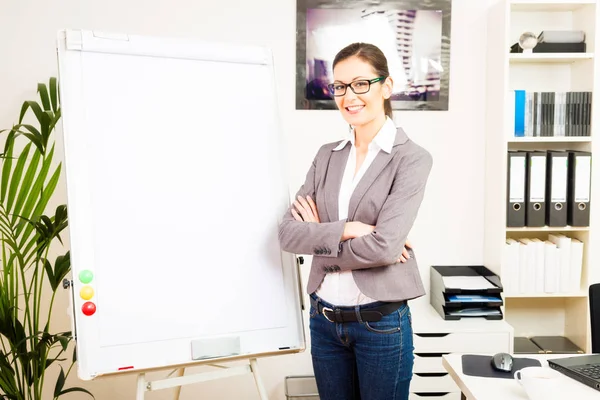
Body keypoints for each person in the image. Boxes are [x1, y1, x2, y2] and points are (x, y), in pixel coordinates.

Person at [278, 42, 433, 400]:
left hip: (380, 323)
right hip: (325, 320)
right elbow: (287, 233)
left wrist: (320, 241)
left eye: (361, 83)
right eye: (340, 86)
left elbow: (385, 247)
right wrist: (350, 230)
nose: (349, 96)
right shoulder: (327, 156)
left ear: (386, 87)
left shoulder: (411, 159)